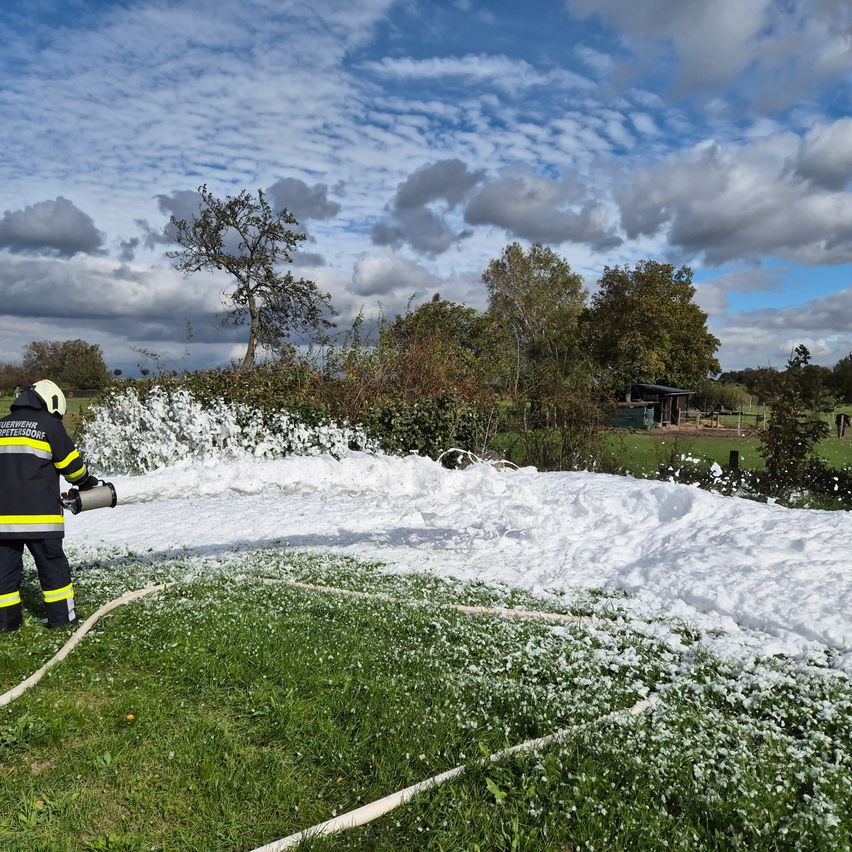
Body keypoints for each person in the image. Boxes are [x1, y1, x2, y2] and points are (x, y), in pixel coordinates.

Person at [0, 380, 99, 632]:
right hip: (40, 519)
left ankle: (7, 624)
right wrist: (87, 483)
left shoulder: (1, 425)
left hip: (2, 521)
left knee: (4, 573)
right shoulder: (48, 425)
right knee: (53, 569)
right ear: (52, 403)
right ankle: (62, 620)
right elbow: (73, 467)